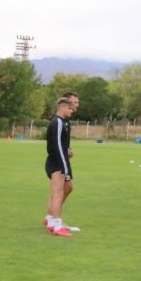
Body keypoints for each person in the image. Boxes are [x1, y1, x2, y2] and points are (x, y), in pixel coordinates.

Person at [44, 92, 81, 233]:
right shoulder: (58, 122)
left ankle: (53, 222)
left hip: (59, 161)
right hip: (57, 162)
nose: (72, 110)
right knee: (58, 194)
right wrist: (64, 166)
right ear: (63, 107)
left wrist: (67, 150)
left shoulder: (62, 121)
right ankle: (57, 225)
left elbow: (62, 144)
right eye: (70, 107)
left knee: (60, 192)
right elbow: (58, 147)